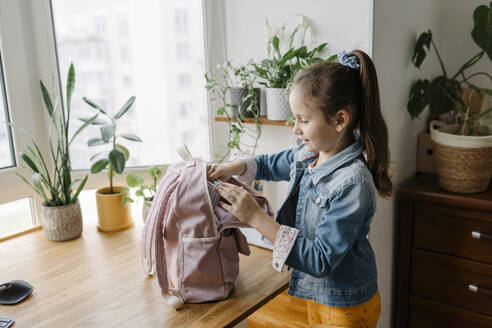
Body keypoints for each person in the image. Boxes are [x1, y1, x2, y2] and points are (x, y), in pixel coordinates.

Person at [207, 49, 391, 327]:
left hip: (347, 305)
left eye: (304, 120)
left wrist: (256, 218)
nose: (295, 129)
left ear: (340, 120)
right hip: (319, 296)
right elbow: (270, 164)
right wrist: (232, 168)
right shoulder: (310, 153)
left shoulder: (353, 182)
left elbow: (319, 259)